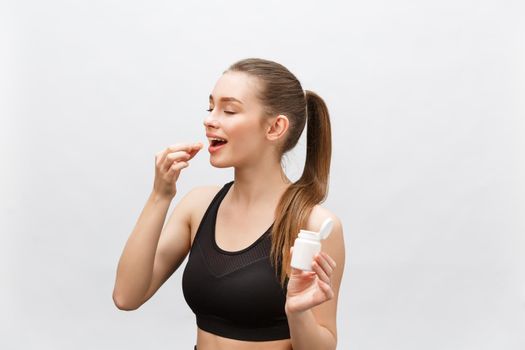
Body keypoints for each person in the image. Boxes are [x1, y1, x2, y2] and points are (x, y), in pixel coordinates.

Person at [112, 58, 346, 350]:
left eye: (229, 110)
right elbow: (126, 296)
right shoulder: (197, 206)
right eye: (211, 107)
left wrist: (298, 312)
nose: (209, 120)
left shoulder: (315, 226)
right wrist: (160, 195)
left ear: (275, 127)